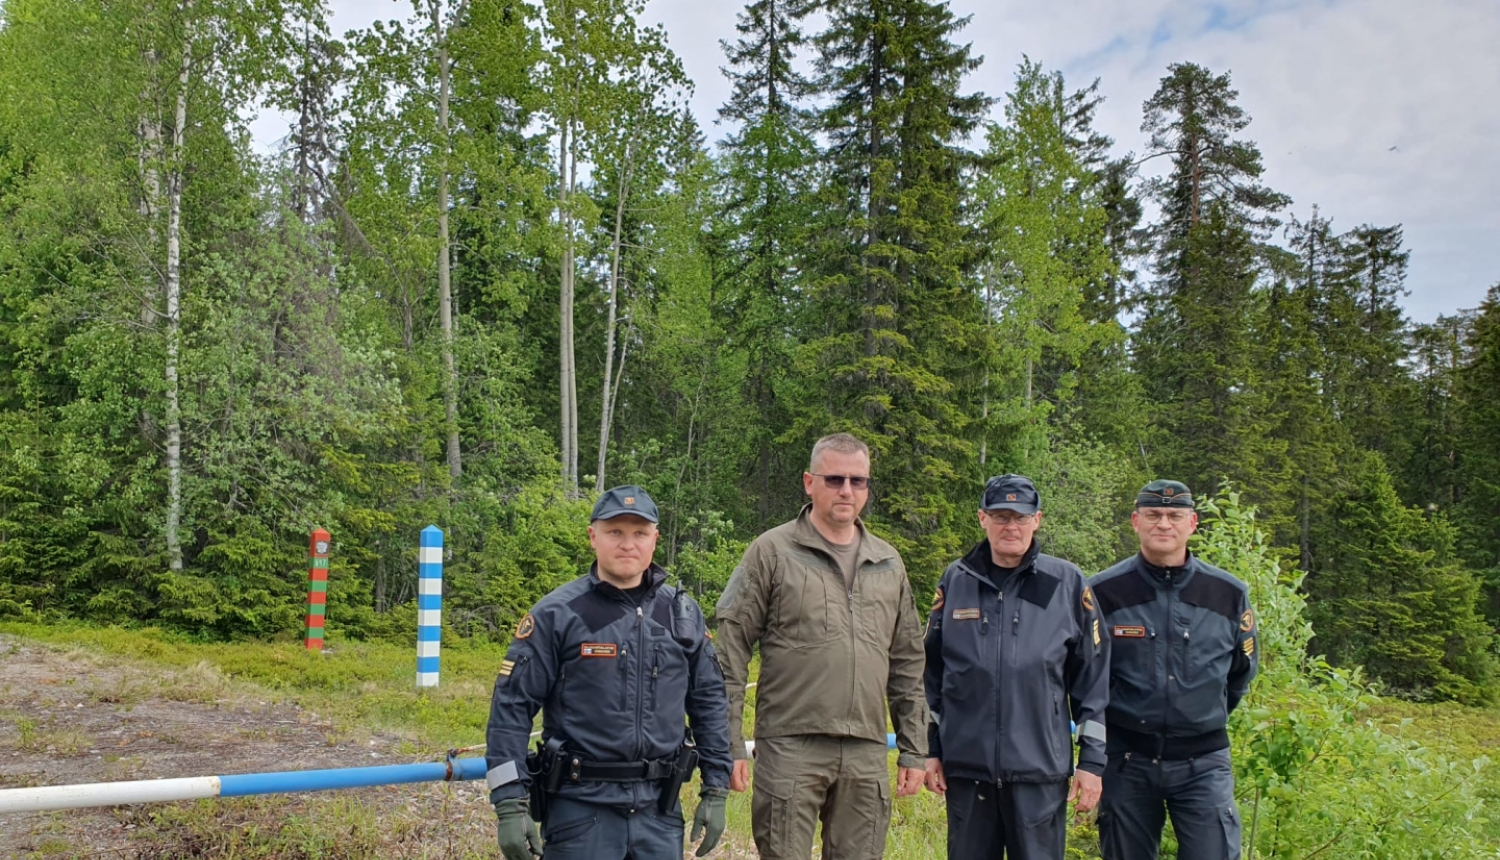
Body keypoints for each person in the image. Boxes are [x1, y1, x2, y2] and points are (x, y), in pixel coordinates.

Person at [483, 486, 733, 860]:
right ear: (592, 537)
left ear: (655, 540)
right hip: (581, 813)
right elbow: (511, 709)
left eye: (639, 533)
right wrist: (509, 803)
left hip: (660, 814)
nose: (627, 544)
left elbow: (710, 702)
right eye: (615, 531)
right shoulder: (558, 615)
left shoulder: (681, 615)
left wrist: (716, 788)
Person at [715, 432, 928, 860]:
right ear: (809, 482)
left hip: (867, 751)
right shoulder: (772, 552)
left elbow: (907, 662)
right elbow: (730, 651)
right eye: (834, 480)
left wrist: (914, 749)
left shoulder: (887, 563)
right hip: (791, 745)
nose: (847, 491)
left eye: (858, 481)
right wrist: (728, 742)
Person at [922, 474, 1110, 860]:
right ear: (982, 518)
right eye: (1001, 516)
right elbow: (931, 675)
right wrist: (929, 749)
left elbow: (1093, 682)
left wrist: (1092, 762)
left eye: (1021, 517)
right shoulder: (956, 581)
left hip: (1039, 772)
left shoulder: (1066, 583)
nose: (1011, 526)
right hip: (968, 770)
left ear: (1037, 520)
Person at [1088, 480, 1259, 860]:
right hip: (1127, 760)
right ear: (1135, 521)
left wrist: (1197, 716)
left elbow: (1241, 672)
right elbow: (1087, 677)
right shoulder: (1103, 591)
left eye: (1174, 515)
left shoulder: (1227, 593)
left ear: (1192, 522)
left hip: (1204, 763)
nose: (1163, 523)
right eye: (1153, 515)